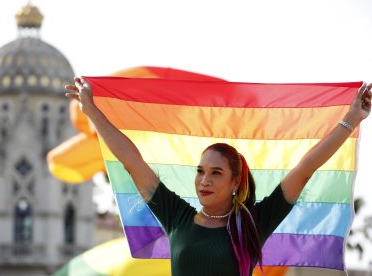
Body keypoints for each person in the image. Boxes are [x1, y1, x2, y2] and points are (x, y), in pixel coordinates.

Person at [65, 78, 371, 276]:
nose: (203, 180)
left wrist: (351, 119)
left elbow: (304, 170)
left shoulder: (254, 223)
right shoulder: (177, 217)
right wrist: (92, 111)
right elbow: (132, 161)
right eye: (200, 171)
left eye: (215, 173)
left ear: (235, 182)